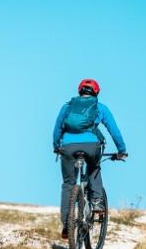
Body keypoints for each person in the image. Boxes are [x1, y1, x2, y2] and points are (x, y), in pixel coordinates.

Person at [53, 79, 127, 239]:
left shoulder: (67, 107)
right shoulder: (100, 108)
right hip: (91, 146)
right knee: (94, 168)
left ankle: (67, 224)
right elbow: (114, 131)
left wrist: (56, 146)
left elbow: (57, 128)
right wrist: (121, 150)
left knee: (68, 184)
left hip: (68, 146)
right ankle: (97, 202)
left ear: (80, 91)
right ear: (96, 93)